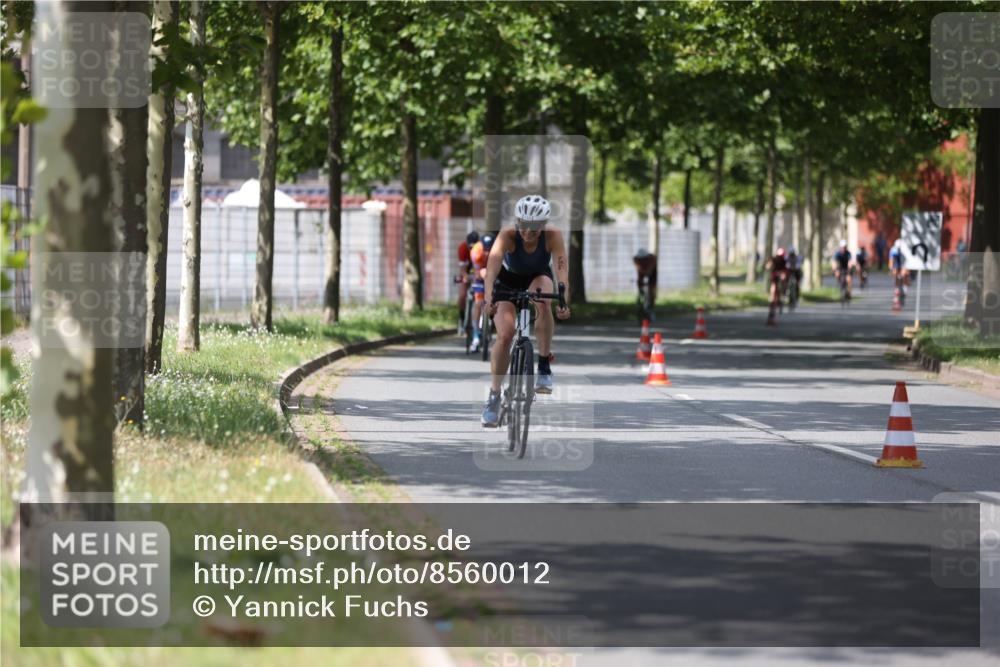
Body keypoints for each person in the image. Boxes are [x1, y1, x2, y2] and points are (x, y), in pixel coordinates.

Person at [481, 195, 571, 427]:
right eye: (523, 226)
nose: (527, 233)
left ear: (543, 226)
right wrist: (488, 298)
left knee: (543, 301)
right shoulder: (508, 234)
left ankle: (543, 365)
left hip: (537, 277)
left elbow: (561, 271)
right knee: (505, 334)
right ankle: (493, 396)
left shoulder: (553, 236)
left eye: (533, 229)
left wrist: (564, 301)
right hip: (506, 282)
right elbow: (491, 269)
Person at [468, 234, 494, 352]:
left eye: (490, 250)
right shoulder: (476, 252)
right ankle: (475, 335)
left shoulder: (499, 250)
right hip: (480, 275)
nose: (487, 253)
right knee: (478, 303)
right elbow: (478, 273)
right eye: (486, 250)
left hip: (493, 273)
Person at [455, 231, 479, 332]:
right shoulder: (462, 248)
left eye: (474, 246)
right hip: (467, 269)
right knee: (462, 295)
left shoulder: (481, 249)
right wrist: (465, 277)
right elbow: (463, 269)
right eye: (470, 247)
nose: (472, 249)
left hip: (478, 268)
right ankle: (461, 318)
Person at [765, 247, 789, 320]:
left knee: (783, 285)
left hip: (781, 277)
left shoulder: (784, 261)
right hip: (774, 277)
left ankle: (782, 296)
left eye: (781, 256)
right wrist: (769, 266)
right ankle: (772, 300)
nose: (780, 258)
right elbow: (768, 266)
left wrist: (784, 274)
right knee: (773, 290)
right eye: (779, 256)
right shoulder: (773, 259)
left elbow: (786, 268)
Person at [633, 248, 658, 317]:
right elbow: (638, 268)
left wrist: (648, 272)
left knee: (651, 289)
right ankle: (641, 295)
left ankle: (651, 304)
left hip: (652, 275)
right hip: (642, 273)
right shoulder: (636, 259)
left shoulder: (652, 259)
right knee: (640, 283)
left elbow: (651, 268)